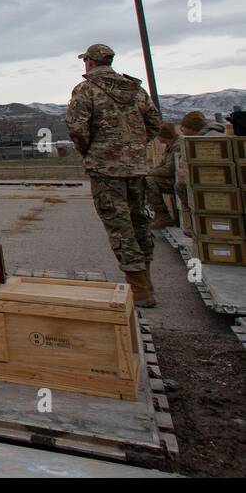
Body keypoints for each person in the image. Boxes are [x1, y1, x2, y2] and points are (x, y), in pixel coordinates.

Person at [65, 43, 161, 307]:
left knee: (120, 226)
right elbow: (155, 123)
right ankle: (147, 281)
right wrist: (134, 148)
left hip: (106, 169)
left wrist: (93, 151)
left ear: (90, 62)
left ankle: (140, 289)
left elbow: (76, 128)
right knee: (139, 220)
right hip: (136, 168)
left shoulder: (86, 90)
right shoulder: (136, 90)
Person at [145, 122, 178, 231]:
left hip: (176, 180)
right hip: (174, 179)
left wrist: (149, 173)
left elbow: (168, 170)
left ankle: (163, 215)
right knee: (146, 179)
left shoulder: (176, 146)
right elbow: (162, 165)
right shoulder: (170, 146)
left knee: (148, 182)